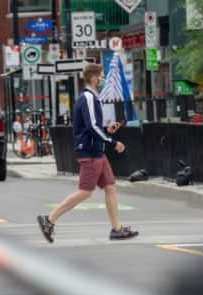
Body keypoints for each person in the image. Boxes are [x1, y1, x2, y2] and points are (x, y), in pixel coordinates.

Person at [37, 63, 138, 243]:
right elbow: (91, 126)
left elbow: (92, 126)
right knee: (85, 192)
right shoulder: (88, 98)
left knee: (110, 187)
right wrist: (113, 142)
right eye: (100, 76)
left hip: (97, 152)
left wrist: (107, 130)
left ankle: (117, 229)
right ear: (93, 77)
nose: (102, 79)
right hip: (91, 153)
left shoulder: (91, 97)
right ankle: (49, 219)